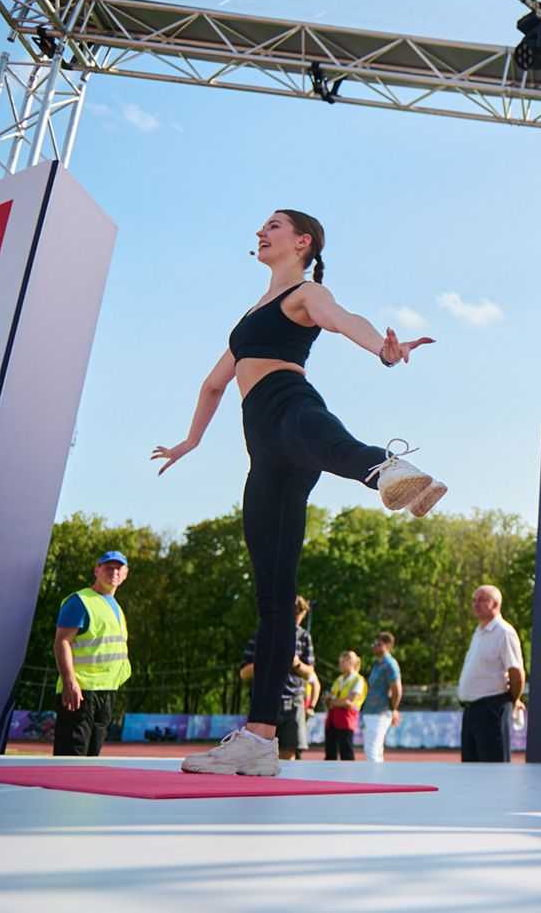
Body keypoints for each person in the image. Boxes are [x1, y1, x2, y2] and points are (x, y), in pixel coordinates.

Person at [156, 209, 447, 777]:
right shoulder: (250, 316)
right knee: (274, 600)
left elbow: (343, 320)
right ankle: (260, 739)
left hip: (290, 408)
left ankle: (388, 470)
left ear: (302, 241)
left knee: (324, 440)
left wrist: (384, 350)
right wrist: (190, 441)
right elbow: (213, 384)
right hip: (263, 456)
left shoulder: (306, 293)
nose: (260, 232)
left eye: (273, 225)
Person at [52, 551, 132, 756]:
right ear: (97, 571)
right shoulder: (80, 601)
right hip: (81, 692)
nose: (114, 572)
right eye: (108, 567)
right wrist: (69, 682)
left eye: (118, 568)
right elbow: (62, 642)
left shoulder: (115, 607)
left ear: (125, 574)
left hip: (107, 692)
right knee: (71, 758)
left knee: (91, 760)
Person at [239, 595, 316, 761]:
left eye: (300, 613)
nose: (296, 617)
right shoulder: (261, 634)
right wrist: (266, 661)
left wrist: (296, 663)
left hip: (293, 704)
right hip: (263, 704)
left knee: (289, 758)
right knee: (258, 756)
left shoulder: (304, 636)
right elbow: (244, 673)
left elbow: (310, 673)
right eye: (293, 612)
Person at [456, 584, 526, 763]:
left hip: (491, 708)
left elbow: (516, 672)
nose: (476, 604)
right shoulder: (479, 632)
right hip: (471, 710)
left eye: (482, 600)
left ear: (496, 604)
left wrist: (514, 699)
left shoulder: (504, 632)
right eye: (474, 600)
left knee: (494, 769)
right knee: (471, 770)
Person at [362, 631, 402, 762]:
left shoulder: (390, 664)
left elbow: (397, 689)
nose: (374, 646)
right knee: (375, 751)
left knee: (372, 751)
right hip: (371, 712)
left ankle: (374, 775)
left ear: (387, 645)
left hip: (380, 712)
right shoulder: (377, 664)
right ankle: (378, 775)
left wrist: (393, 709)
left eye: (378, 644)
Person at [325, 651, 367, 761]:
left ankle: (348, 772)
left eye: (343, 662)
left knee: (346, 752)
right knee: (330, 752)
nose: (340, 664)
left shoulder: (358, 680)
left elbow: (349, 701)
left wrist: (333, 701)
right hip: (332, 719)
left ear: (351, 662)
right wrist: (336, 701)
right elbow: (329, 699)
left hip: (347, 719)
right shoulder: (339, 679)